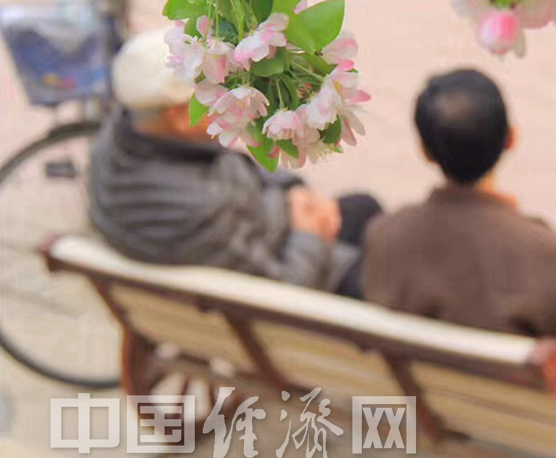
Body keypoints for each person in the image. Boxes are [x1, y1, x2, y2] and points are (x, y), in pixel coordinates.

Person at [89, 30, 381, 298]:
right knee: (384, 255)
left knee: (363, 207)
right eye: (217, 92)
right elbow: (282, 293)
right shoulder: (199, 209)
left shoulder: (121, 140)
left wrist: (294, 191)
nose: (230, 99)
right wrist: (310, 233)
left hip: (265, 220)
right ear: (179, 117)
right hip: (297, 274)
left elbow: (232, 167)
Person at [362, 69, 556, 350]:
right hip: (512, 393)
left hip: (416, 391)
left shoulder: (383, 236)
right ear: (511, 139)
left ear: (426, 152)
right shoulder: (553, 257)